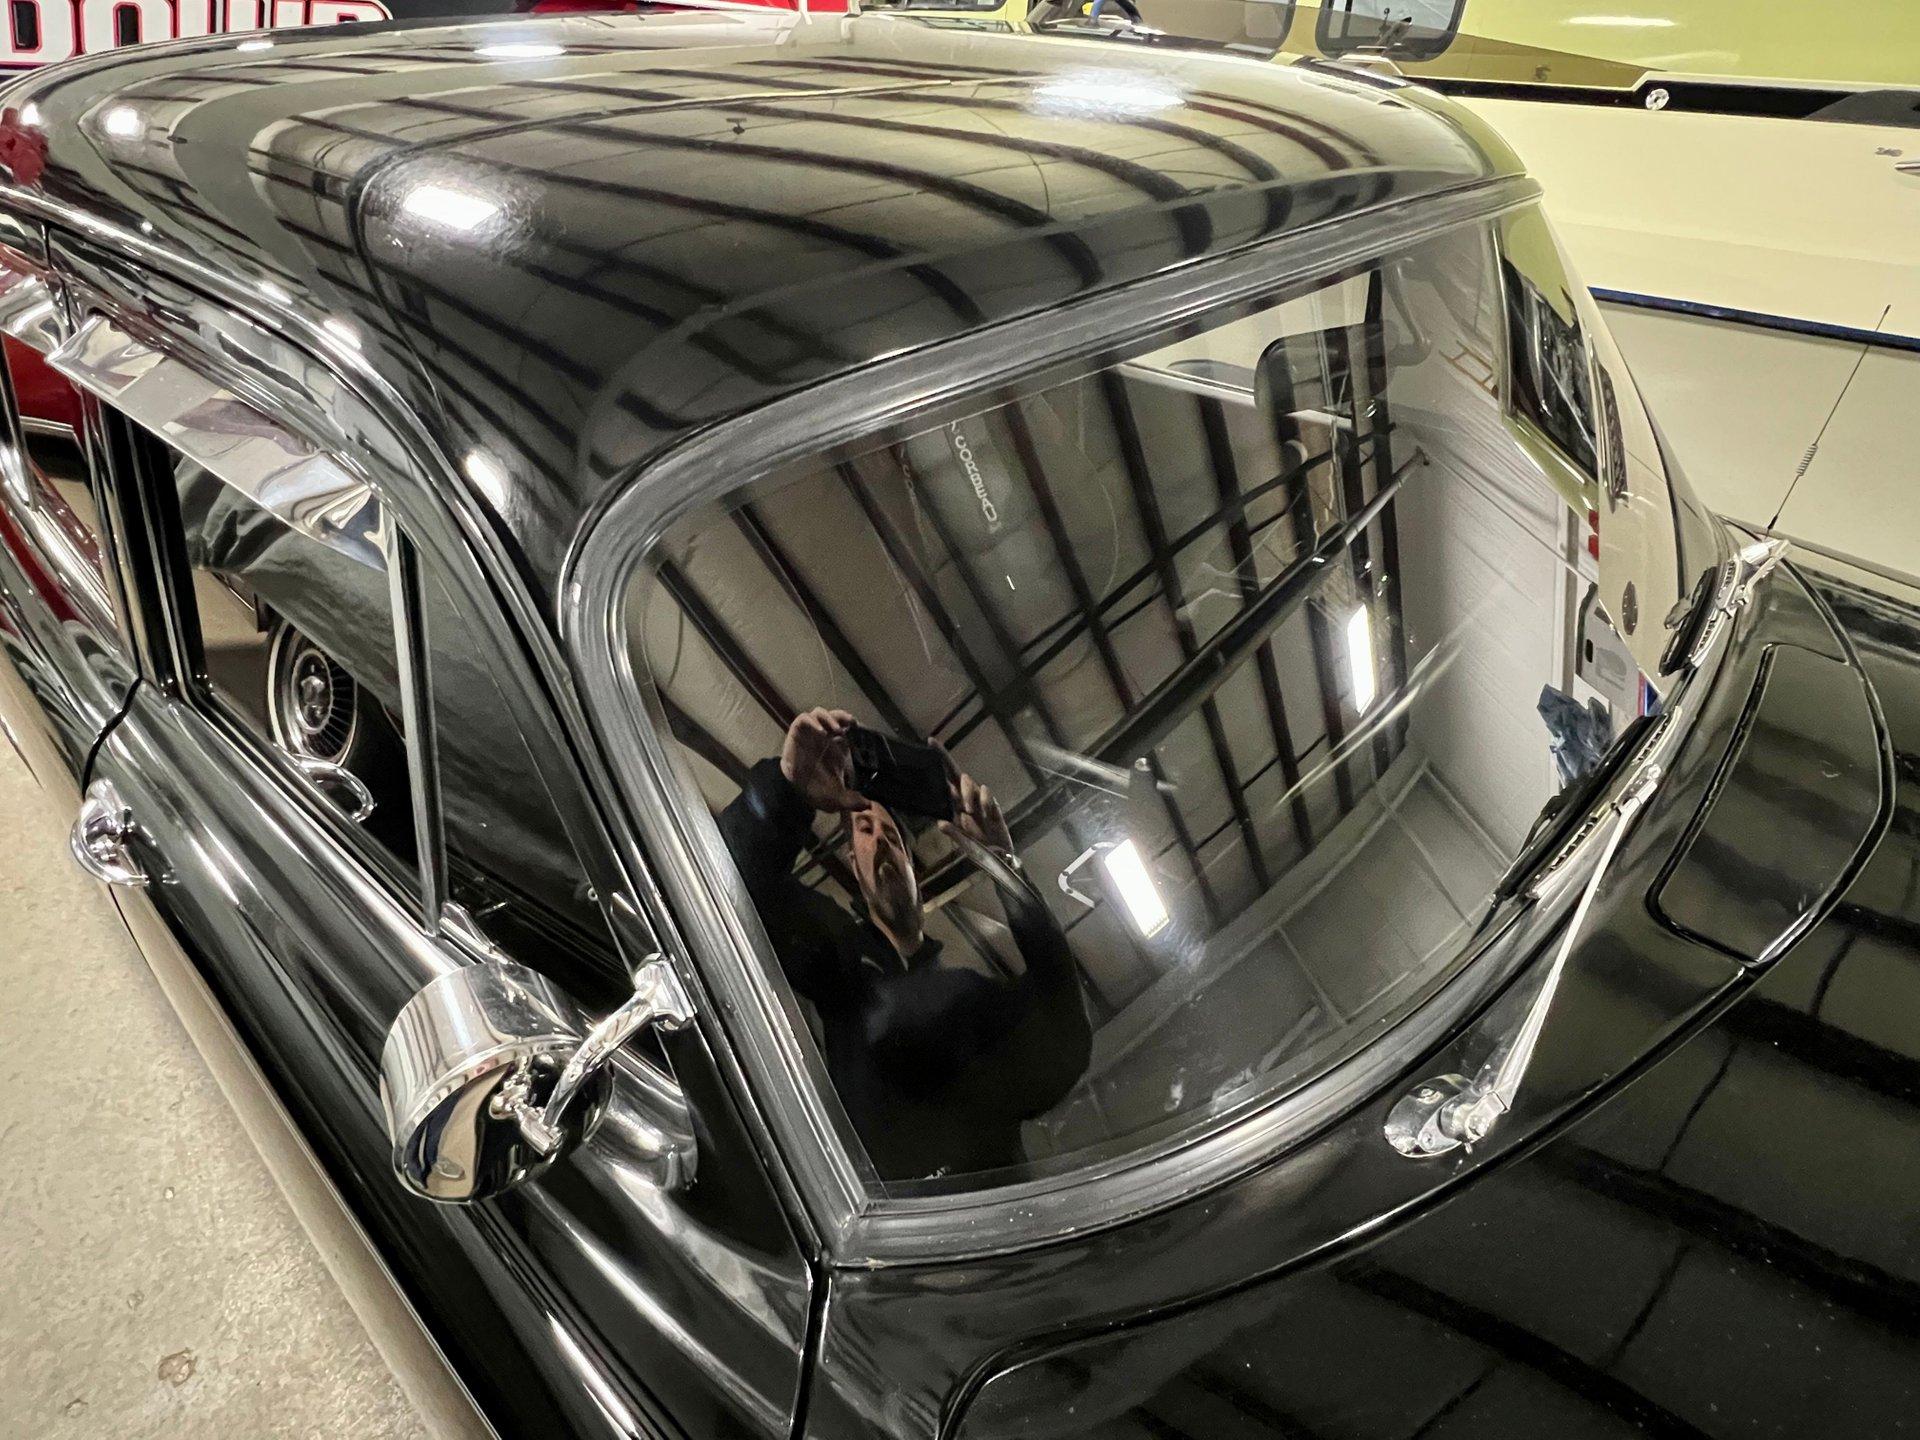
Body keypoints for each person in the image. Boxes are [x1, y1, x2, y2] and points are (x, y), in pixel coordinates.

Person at [718, 708, 1093, 1181]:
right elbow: (730, 889)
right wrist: (787, 791)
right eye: (866, 831)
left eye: (893, 836)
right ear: (854, 867)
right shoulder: (837, 963)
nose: (881, 842)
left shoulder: (973, 997)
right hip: (896, 1223)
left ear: (914, 868)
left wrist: (1005, 870)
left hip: (1003, 1215)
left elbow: (1064, 1041)